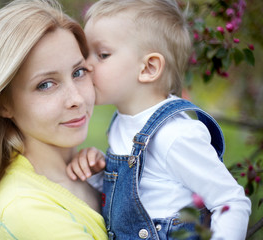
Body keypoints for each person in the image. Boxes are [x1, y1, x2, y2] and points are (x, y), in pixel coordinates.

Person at [66, 0, 251, 239]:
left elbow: (231, 201)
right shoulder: (122, 123)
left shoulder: (175, 135)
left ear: (149, 68)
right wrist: (99, 173)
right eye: (86, 54)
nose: (86, 65)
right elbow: (134, 198)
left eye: (102, 55)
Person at [0, 0, 108, 239]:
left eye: (78, 72)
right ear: (3, 103)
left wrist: (107, 177)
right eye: (46, 85)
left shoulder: (93, 175)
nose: (77, 99)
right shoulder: (26, 210)